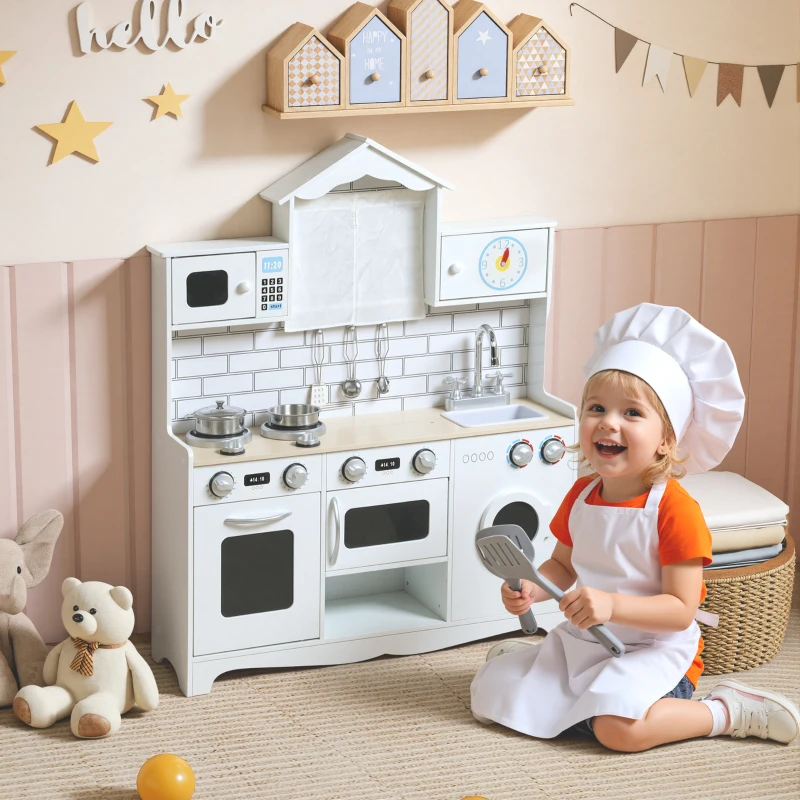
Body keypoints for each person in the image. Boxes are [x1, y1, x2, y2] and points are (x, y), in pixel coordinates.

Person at [470, 303, 800, 751]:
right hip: (591, 638)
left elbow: (681, 610)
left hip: (657, 652)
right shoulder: (583, 494)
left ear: (666, 439)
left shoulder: (676, 510)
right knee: (492, 696)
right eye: (597, 407)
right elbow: (563, 566)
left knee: (617, 731)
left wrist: (610, 604)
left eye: (632, 413)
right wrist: (535, 587)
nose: (608, 421)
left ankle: (724, 712)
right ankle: (550, 678)